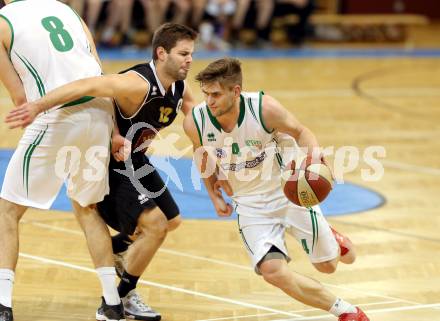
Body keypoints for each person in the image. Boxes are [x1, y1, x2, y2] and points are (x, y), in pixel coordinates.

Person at [6, 22, 198, 321]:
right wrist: (39, 106)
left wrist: (215, 143)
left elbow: (195, 115)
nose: (189, 60)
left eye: (191, 54)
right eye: (183, 53)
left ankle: (113, 253)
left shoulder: (178, 86)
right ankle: (120, 298)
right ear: (162, 53)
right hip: (108, 161)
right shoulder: (135, 83)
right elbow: (86, 86)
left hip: (136, 160)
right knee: (155, 226)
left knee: (172, 222)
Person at [183, 58, 370, 321]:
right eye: (206, 94)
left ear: (236, 91)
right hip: (249, 203)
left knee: (328, 266)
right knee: (272, 271)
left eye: (216, 94)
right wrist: (213, 193)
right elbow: (200, 152)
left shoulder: (264, 108)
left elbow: (302, 131)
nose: (209, 101)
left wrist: (312, 159)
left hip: (287, 194)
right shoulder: (196, 121)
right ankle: (347, 312)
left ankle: (334, 239)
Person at [0, 1, 123, 321]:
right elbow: (100, 73)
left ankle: (2, 306)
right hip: (99, 113)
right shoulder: (67, 10)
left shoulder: (2, 22)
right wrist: (114, 130)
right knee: (86, 207)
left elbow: (20, 99)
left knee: (7, 212)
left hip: (54, 115)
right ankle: (112, 302)